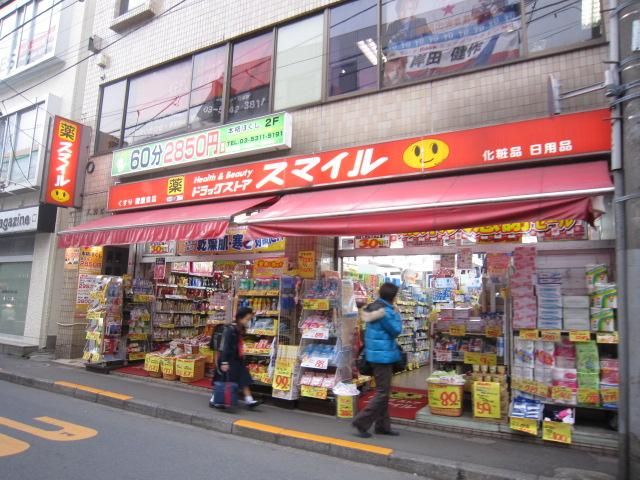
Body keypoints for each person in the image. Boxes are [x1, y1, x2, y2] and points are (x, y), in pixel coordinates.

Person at [352, 282, 402, 438]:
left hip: (374, 355)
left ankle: (382, 425)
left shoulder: (372, 308)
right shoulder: (386, 311)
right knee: (382, 392)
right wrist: (397, 313)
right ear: (393, 296)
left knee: (383, 391)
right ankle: (361, 421)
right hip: (383, 356)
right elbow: (396, 330)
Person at [213, 307, 260, 409]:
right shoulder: (230, 329)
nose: (248, 321)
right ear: (240, 318)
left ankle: (249, 400)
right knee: (225, 380)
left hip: (237, 359)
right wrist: (224, 362)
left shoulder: (239, 328)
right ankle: (214, 399)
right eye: (247, 319)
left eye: (249, 319)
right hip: (228, 359)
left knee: (243, 377)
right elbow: (224, 346)